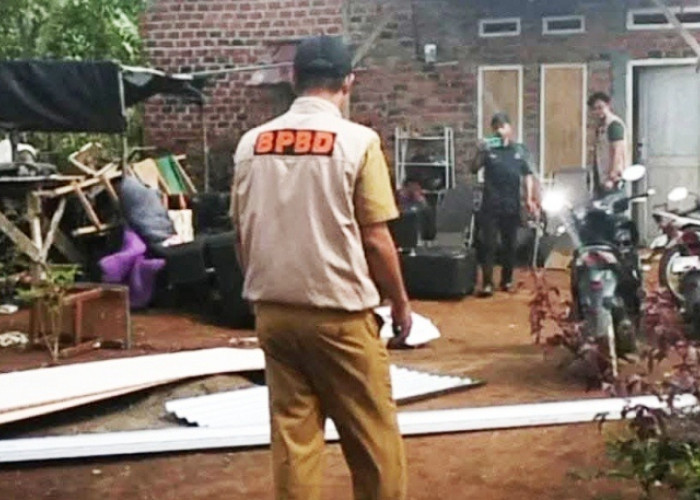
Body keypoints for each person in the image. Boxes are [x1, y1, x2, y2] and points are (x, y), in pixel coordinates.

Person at [231, 36, 409, 500]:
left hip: (274, 314)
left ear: (293, 78)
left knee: (295, 441)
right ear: (349, 82)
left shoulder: (251, 144)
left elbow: (240, 232)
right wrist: (400, 303)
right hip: (340, 318)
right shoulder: (358, 142)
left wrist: (260, 293)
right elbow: (376, 239)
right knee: (373, 439)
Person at [471, 112, 537, 297]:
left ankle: (506, 281)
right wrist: (479, 151)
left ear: (510, 128)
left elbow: (528, 174)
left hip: (512, 204)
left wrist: (529, 198)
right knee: (489, 245)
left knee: (510, 244)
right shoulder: (488, 150)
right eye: (496, 127)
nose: (499, 130)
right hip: (490, 204)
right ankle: (487, 283)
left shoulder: (519, 150)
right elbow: (473, 168)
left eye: (502, 126)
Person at [588, 92, 628, 196]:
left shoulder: (614, 125)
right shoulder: (601, 126)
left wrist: (612, 175)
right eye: (594, 109)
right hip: (601, 175)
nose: (598, 112)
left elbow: (617, 151)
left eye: (600, 107)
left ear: (608, 106)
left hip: (612, 179)